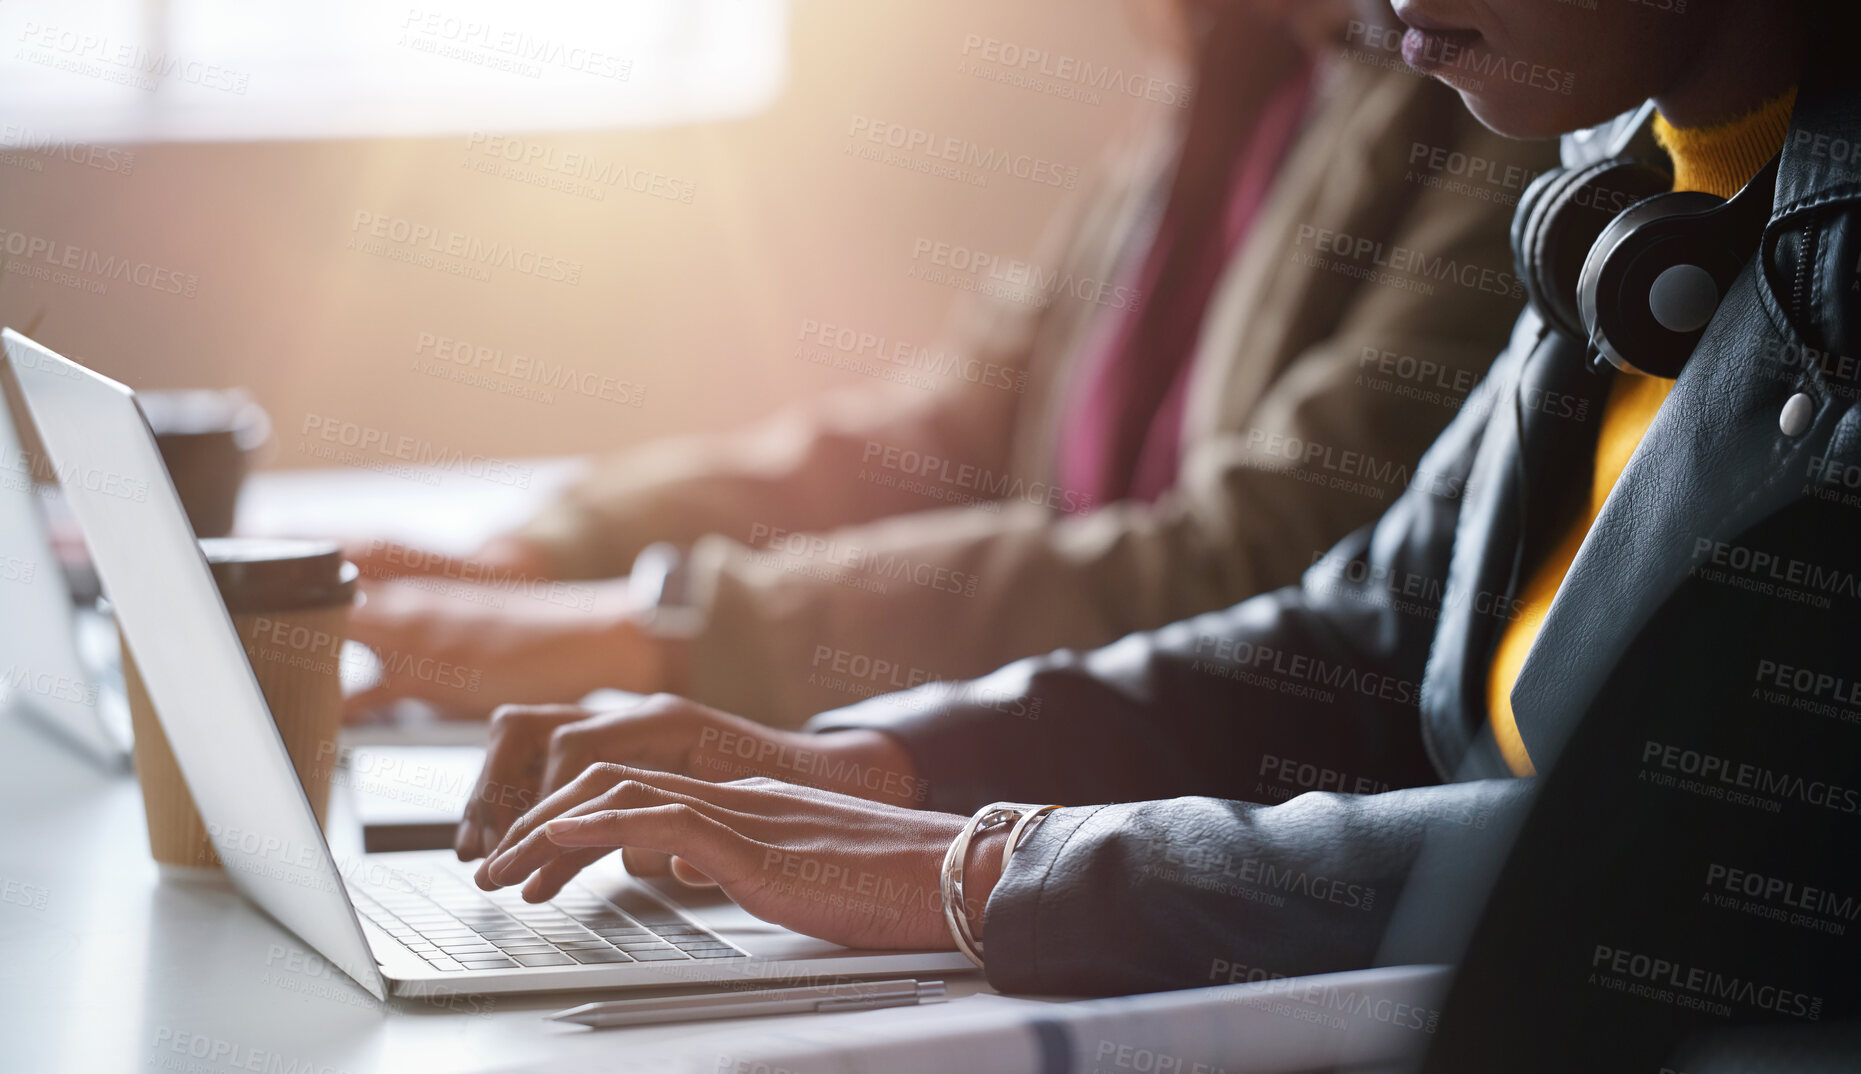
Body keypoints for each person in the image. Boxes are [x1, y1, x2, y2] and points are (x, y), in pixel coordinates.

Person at [458, 0, 1861, 1038]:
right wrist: (874, 762)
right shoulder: (1628, 178)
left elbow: (1682, 850)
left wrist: (996, 867)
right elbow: (1365, 628)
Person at [342, 0, 1548, 727]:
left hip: (1172, 806)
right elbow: (957, 435)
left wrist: (672, 634)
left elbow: (1255, 560)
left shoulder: (1492, 115)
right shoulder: (1218, 86)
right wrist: (560, 552)